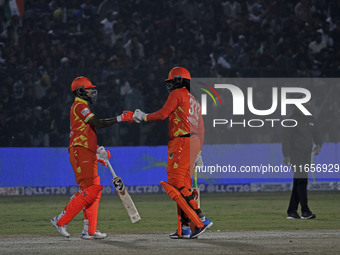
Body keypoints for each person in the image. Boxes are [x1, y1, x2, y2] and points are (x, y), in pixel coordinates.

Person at [132, 67, 213, 239]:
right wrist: (199, 150)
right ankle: (184, 227)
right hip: (193, 141)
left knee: (176, 182)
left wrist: (144, 116)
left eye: (171, 81)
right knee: (184, 184)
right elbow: (201, 126)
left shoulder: (177, 94)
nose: (169, 85)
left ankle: (201, 219)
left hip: (182, 141)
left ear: (178, 80)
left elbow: (162, 114)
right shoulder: (194, 100)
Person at [50, 76, 133, 239]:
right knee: (89, 190)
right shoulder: (79, 105)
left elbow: (86, 131)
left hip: (87, 150)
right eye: (88, 89)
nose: (91, 92)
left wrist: (96, 150)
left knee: (94, 190)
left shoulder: (82, 106)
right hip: (79, 150)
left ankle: (89, 230)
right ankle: (60, 220)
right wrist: (120, 118)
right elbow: (97, 123)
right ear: (80, 91)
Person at [282, 97, 322, 220]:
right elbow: (286, 139)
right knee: (302, 179)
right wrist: (286, 155)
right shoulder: (290, 120)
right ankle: (305, 210)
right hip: (295, 153)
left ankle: (292, 211)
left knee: (299, 181)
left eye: (308, 103)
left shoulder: (310, 118)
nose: (306, 105)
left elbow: (316, 132)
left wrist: (319, 144)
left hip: (306, 154)